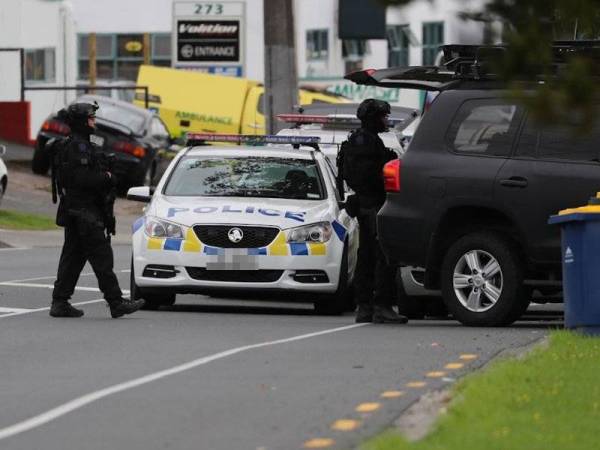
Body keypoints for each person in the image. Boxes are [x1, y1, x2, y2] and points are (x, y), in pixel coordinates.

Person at [49, 101, 144, 318]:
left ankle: (60, 301)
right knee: (102, 257)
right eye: (90, 118)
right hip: (83, 211)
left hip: (78, 210)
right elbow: (82, 179)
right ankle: (116, 302)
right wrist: (107, 177)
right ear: (81, 121)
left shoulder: (79, 144)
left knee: (73, 257)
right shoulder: (78, 147)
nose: (94, 121)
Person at [338, 99, 408, 324]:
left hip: (366, 205)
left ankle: (366, 307)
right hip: (372, 206)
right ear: (373, 118)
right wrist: (388, 162)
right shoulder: (365, 143)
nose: (386, 120)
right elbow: (370, 177)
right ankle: (381, 306)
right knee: (382, 257)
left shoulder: (362, 140)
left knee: (367, 256)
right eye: (383, 116)